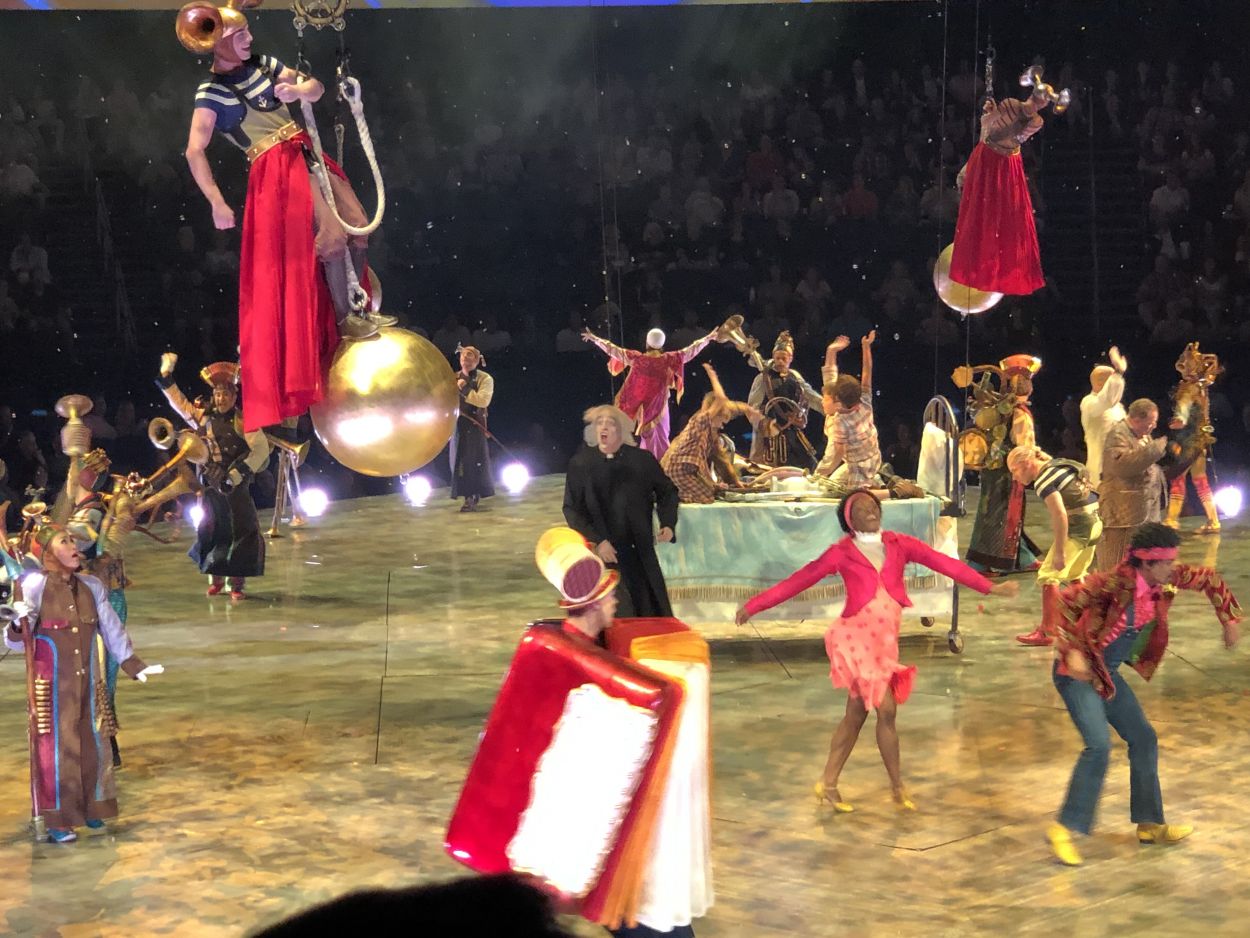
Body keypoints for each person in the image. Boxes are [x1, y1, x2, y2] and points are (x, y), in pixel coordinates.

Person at [179, 1, 394, 432]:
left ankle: (356, 306)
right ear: (219, 42)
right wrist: (217, 201)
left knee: (358, 225)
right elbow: (194, 150)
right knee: (332, 237)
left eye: (247, 33)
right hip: (274, 168)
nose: (249, 39)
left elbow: (314, 87)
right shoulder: (211, 93)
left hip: (303, 151)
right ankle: (345, 319)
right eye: (240, 36)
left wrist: (301, 91)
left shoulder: (264, 64)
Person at [735, 491, 1016, 812]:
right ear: (848, 520)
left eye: (874, 506)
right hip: (856, 641)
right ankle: (897, 788)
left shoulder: (899, 544)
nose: (871, 510)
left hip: (884, 645)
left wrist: (989, 587)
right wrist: (754, 606)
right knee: (887, 710)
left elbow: (944, 563)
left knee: (855, 716)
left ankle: (828, 783)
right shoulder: (841, 553)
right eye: (862, 508)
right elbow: (800, 580)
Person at [1046, 523, 1242, 867]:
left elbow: (1208, 578)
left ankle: (1149, 824)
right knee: (1098, 746)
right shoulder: (1112, 583)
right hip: (1077, 675)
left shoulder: (1162, 577)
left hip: (1107, 674)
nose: (1172, 569)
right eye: (1166, 563)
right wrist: (1070, 649)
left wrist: (1228, 619)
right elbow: (1064, 605)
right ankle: (1064, 828)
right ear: (1147, 563)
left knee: (1144, 738)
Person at [4, 525, 162, 844]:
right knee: (57, 750)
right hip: (52, 690)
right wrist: (17, 623)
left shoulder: (92, 586)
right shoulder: (33, 587)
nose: (74, 546)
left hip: (89, 682)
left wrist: (133, 664)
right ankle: (59, 819)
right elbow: (16, 643)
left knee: (94, 744)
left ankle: (92, 808)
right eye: (64, 541)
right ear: (48, 553)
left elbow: (112, 628)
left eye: (73, 541)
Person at [155, 353, 269, 599]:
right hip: (210, 484)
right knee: (211, 530)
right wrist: (166, 376)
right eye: (217, 394)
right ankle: (215, 578)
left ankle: (236, 584)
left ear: (234, 396)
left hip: (236, 485)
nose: (221, 399)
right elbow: (180, 404)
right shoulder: (203, 416)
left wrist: (235, 475)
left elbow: (261, 450)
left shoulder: (244, 420)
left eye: (225, 395)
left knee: (241, 532)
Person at [563, 405, 679, 617]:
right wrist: (598, 541)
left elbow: (667, 492)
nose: (604, 427)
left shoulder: (642, 460)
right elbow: (572, 509)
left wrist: (668, 523)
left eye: (610, 423)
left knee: (651, 611)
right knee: (617, 616)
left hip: (641, 552)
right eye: (599, 423)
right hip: (607, 557)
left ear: (622, 429)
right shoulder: (581, 464)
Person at [1007, 446, 1103, 646]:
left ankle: (1048, 631)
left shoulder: (1044, 480)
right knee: (1076, 573)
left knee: (1048, 575)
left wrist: (1059, 551)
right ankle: (1084, 624)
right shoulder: (1059, 464)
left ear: (1026, 464)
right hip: (1095, 523)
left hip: (1079, 526)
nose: (1014, 478)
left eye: (1014, 471)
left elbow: (1060, 515)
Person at [957, 354, 1043, 574]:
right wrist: (1035, 457)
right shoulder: (1018, 412)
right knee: (1004, 515)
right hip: (1009, 469)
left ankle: (1021, 557)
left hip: (995, 467)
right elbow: (1023, 444)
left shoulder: (1000, 407)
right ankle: (982, 562)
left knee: (996, 514)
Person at [581, 324, 720, 460]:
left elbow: (613, 350)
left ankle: (651, 463)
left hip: (645, 406)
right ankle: (658, 464)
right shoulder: (669, 359)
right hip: (660, 407)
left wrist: (595, 339)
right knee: (660, 437)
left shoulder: (638, 359)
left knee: (650, 437)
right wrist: (707, 338)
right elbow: (691, 350)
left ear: (647, 343)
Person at [660, 364, 759, 503]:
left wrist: (747, 409)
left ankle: (678, 495)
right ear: (716, 412)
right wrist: (713, 377)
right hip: (678, 469)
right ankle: (673, 496)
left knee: (713, 492)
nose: (723, 424)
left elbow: (716, 461)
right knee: (706, 498)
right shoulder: (700, 421)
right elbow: (721, 399)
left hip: (687, 469)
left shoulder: (710, 433)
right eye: (722, 419)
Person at [1095, 399, 1168, 572]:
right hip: (1122, 514)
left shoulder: (1142, 435)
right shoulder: (1117, 435)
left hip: (1143, 509)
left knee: (1142, 563)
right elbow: (1122, 466)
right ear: (1136, 419)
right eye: (1150, 422)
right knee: (1116, 563)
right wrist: (1155, 449)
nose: (1153, 426)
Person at [815, 331, 886, 497]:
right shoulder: (863, 399)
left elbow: (837, 454)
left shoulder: (841, 422)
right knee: (828, 486)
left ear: (838, 404)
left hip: (860, 466)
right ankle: (875, 480)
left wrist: (821, 472)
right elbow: (867, 372)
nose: (822, 401)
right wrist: (865, 347)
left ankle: (885, 490)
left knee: (852, 498)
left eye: (826, 399)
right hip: (868, 456)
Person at [1165, 342, 1222, 533]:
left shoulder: (1189, 389)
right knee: (1199, 480)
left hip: (1188, 441)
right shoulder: (1201, 388)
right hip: (1200, 440)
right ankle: (1213, 520)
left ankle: (1171, 520)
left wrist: (1178, 421)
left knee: (1178, 478)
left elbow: (1183, 409)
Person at [747, 331, 823, 468]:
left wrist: (825, 408)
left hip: (791, 431)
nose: (780, 361)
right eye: (778, 358)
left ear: (790, 358)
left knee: (808, 466)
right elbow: (752, 408)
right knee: (766, 469)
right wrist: (764, 424)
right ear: (773, 357)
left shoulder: (794, 376)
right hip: (769, 434)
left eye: (784, 358)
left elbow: (809, 396)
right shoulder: (763, 378)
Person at [450, 345, 495, 513]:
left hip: (474, 425)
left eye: (469, 358)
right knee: (457, 462)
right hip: (457, 426)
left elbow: (483, 400)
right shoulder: (453, 377)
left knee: (472, 462)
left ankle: (472, 495)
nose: (465, 360)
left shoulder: (485, 379)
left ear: (476, 360)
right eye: (463, 357)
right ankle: (465, 494)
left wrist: (465, 388)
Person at [1080, 346, 1128, 489]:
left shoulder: (1118, 407)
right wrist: (1118, 373)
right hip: (1100, 468)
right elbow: (1107, 400)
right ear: (1102, 383)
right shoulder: (1089, 403)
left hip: (1121, 465)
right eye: (1111, 380)